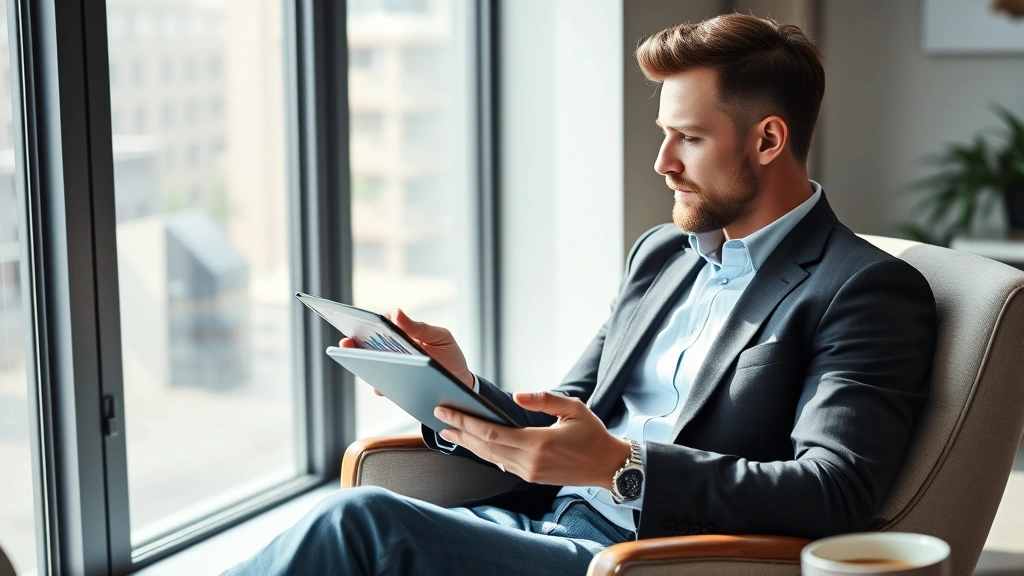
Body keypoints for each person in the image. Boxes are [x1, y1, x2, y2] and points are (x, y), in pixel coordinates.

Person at [223, 12, 936, 576]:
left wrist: (622, 470)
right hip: (537, 527)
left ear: (769, 140)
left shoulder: (863, 289)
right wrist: (458, 386)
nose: (662, 164)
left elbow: (834, 491)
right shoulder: (661, 256)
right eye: (664, 135)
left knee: (359, 525)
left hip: (647, 560)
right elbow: (571, 421)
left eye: (686, 138)